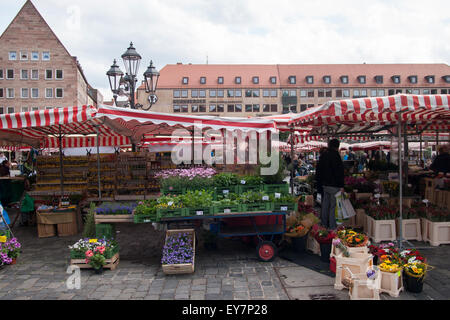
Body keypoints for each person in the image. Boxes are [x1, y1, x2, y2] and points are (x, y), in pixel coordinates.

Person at [316, 139, 344, 230]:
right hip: (334, 185)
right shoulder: (336, 156)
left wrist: (319, 184)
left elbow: (318, 170)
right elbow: (339, 172)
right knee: (333, 206)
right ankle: (332, 227)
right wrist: (341, 185)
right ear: (337, 146)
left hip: (325, 185)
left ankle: (324, 224)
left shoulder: (323, 155)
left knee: (325, 205)